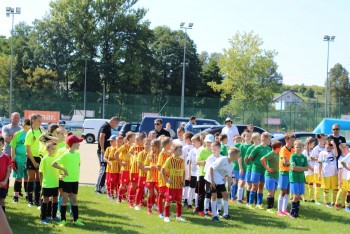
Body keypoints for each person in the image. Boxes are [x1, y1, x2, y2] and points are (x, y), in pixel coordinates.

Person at [52, 134, 85, 226]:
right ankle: (63, 220)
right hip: (67, 181)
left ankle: (76, 219)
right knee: (65, 200)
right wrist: (64, 170)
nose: (79, 144)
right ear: (73, 143)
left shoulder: (78, 154)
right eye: (78, 142)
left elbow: (78, 165)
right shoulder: (66, 154)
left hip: (75, 181)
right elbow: (54, 164)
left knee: (74, 200)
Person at [208, 147, 240, 222]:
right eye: (238, 156)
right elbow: (211, 168)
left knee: (225, 195)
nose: (238, 157)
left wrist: (229, 189)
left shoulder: (231, 164)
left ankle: (226, 214)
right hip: (211, 177)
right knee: (214, 196)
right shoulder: (223, 159)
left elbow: (229, 177)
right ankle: (214, 216)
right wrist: (212, 181)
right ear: (233, 155)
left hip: (219, 180)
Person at [161, 144, 186, 222]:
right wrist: (166, 180)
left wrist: (183, 180)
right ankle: (166, 216)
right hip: (171, 185)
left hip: (179, 184)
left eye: (181, 150)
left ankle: (178, 216)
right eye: (179, 150)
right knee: (168, 201)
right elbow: (162, 170)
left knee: (179, 200)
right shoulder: (169, 159)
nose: (181, 151)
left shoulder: (182, 160)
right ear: (174, 151)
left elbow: (184, 171)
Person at [95, 117, 120, 194]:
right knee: (103, 169)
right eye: (116, 124)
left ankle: (102, 186)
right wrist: (102, 149)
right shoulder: (105, 126)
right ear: (114, 121)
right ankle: (98, 187)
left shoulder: (107, 127)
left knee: (105, 169)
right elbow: (101, 136)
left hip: (105, 151)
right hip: (102, 151)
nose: (115, 126)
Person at [247, 132, 271, 209]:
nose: (270, 141)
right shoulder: (257, 147)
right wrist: (256, 162)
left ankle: (259, 203)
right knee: (254, 186)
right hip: (256, 169)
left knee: (261, 186)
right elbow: (250, 157)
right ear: (263, 139)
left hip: (264, 170)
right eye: (269, 139)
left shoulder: (269, 149)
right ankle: (250, 203)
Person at [39, 142, 60, 224]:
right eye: (52, 148)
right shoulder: (44, 159)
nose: (54, 150)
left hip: (55, 183)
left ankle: (53, 216)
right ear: (47, 149)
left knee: (55, 199)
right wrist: (41, 182)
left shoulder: (56, 158)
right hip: (47, 183)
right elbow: (40, 172)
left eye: (54, 148)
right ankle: (43, 217)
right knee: (46, 200)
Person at [10, 119, 31, 203]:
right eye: (26, 127)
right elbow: (13, 146)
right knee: (18, 178)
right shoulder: (18, 134)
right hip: (19, 159)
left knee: (27, 178)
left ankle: (27, 195)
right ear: (23, 126)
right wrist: (13, 159)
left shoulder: (31, 134)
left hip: (28, 159)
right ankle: (16, 197)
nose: (27, 130)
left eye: (29, 128)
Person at [25, 114, 43, 207]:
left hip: (40, 157)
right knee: (31, 178)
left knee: (39, 179)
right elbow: (28, 150)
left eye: (41, 121)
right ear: (33, 121)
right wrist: (34, 162)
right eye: (39, 121)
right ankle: (30, 200)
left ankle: (37, 200)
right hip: (32, 157)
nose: (40, 122)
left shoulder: (41, 132)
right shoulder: (29, 133)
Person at [194, 134, 214, 216]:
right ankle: (200, 209)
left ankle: (209, 209)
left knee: (209, 192)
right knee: (201, 192)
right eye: (207, 142)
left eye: (210, 142)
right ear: (205, 142)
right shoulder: (202, 151)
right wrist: (206, 161)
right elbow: (197, 162)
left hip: (211, 175)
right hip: (202, 174)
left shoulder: (214, 151)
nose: (209, 143)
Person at [277, 133, 295, 216]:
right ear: (286, 140)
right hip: (283, 172)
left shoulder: (293, 150)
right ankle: (279, 210)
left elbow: (292, 162)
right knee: (283, 191)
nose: (293, 142)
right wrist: (292, 164)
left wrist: (292, 164)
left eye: (293, 140)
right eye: (291, 140)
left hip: (290, 173)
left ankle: (284, 209)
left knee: (288, 191)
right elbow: (285, 163)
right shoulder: (283, 149)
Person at [261, 141, 282, 212]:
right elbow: (262, 159)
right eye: (280, 147)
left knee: (274, 192)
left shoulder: (279, 154)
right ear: (277, 148)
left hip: (276, 175)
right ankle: (269, 208)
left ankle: (272, 207)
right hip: (270, 176)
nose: (281, 148)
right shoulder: (271, 154)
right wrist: (267, 168)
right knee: (271, 191)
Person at [289, 140, 308, 218]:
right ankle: (291, 212)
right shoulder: (292, 156)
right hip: (294, 178)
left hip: (301, 178)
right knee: (296, 196)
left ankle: (296, 213)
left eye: (300, 147)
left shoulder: (304, 157)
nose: (298, 148)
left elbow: (306, 168)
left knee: (299, 196)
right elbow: (293, 168)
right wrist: (301, 168)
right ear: (294, 147)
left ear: (303, 148)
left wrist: (298, 168)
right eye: (297, 147)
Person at [115, 132, 136, 203]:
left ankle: (128, 199)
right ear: (130, 139)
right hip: (125, 169)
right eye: (134, 137)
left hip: (133, 169)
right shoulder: (125, 146)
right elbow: (116, 153)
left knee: (130, 185)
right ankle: (119, 198)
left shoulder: (135, 146)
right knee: (123, 184)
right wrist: (120, 163)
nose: (135, 138)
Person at [204, 141, 222, 217]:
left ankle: (219, 212)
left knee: (219, 196)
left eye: (216, 149)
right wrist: (212, 181)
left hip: (219, 180)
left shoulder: (222, 158)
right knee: (208, 195)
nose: (214, 150)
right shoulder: (210, 158)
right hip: (209, 180)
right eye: (213, 149)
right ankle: (206, 212)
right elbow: (207, 170)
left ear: (219, 148)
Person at [318, 139, 338, 207]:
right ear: (325, 145)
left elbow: (336, 154)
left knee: (335, 188)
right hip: (325, 174)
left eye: (330, 147)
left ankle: (334, 202)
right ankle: (326, 202)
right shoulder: (321, 153)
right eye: (327, 146)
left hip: (334, 174)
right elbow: (320, 164)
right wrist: (319, 174)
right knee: (326, 189)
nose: (328, 148)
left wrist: (334, 145)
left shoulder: (333, 151)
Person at [156, 137, 173, 218]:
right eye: (170, 143)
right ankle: (160, 212)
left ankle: (166, 211)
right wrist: (165, 174)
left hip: (169, 177)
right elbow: (159, 166)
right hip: (163, 177)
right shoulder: (162, 154)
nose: (172, 144)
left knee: (167, 195)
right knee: (161, 194)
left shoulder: (170, 154)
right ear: (166, 145)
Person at [128, 133, 146, 207]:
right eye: (135, 139)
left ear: (142, 140)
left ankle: (140, 201)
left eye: (137, 140)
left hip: (141, 171)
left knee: (141, 186)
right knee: (133, 185)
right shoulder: (134, 147)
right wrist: (133, 156)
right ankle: (130, 202)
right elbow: (129, 152)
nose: (135, 141)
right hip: (134, 169)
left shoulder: (145, 148)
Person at [144, 139, 161, 214]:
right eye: (151, 146)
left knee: (159, 193)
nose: (152, 148)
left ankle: (159, 209)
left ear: (158, 146)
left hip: (159, 178)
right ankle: (149, 209)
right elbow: (145, 166)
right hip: (150, 177)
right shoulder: (149, 155)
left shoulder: (161, 155)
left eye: (154, 146)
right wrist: (150, 167)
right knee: (150, 193)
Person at [244, 133, 261, 206]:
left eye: (260, 139)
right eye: (258, 139)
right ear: (253, 139)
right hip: (250, 169)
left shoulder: (261, 148)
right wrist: (248, 164)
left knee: (256, 185)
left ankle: (256, 201)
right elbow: (246, 158)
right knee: (249, 186)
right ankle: (248, 202)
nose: (260, 140)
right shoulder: (250, 148)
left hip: (257, 170)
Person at [135, 138, 151, 210]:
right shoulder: (141, 153)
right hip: (142, 175)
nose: (147, 146)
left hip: (150, 176)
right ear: (143, 144)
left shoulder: (152, 154)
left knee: (151, 191)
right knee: (140, 189)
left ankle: (151, 204)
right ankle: (137, 204)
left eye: (149, 144)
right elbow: (139, 165)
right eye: (146, 144)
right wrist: (146, 172)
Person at [237, 131, 252, 204]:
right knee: (242, 182)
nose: (248, 137)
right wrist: (240, 167)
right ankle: (239, 198)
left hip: (251, 168)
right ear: (244, 137)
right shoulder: (242, 146)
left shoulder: (253, 146)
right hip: (244, 167)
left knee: (249, 184)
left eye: (250, 136)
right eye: (247, 136)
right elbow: (239, 157)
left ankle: (248, 199)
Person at [187, 134, 202, 209]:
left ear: (199, 142)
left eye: (194, 142)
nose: (192, 143)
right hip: (192, 173)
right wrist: (189, 173)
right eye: (192, 142)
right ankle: (189, 203)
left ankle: (197, 205)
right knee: (191, 188)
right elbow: (189, 162)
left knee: (197, 190)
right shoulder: (191, 151)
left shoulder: (202, 150)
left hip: (199, 173)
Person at [311, 133, 326, 205]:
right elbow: (312, 158)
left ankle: (325, 201)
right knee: (318, 185)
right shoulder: (316, 148)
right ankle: (317, 200)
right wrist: (320, 159)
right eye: (323, 139)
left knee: (325, 186)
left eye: (325, 139)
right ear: (319, 139)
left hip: (325, 170)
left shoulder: (326, 148)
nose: (325, 140)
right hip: (317, 169)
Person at [104, 135, 119, 199]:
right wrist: (109, 162)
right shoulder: (108, 148)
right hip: (109, 168)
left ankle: (117, 193)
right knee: (109, 181)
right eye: (110, 141)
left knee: (116, 181)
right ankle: (109, 193)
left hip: (117, 168)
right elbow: (105, 157)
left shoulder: (118, 148)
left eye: (112, 141)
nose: (110, 142)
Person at [335, 143, 349, 209]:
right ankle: (337, 203)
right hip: (343, 178)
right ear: (343, 149)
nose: (348, 148)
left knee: (346, 192)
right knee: (341, 191)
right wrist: (339, 180)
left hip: (348, 177)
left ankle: (344, 204)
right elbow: (340, 170)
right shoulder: (341, 159)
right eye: (347, 147)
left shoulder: (348, 156)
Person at [303, 137, 316, 202]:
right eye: (313, 143)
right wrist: (312, 169)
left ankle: (311, 198)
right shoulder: (304, 152)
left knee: (311, 185)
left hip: (311, 171)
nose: (314, 145)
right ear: (309, 143)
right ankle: (304, 198)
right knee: (305, 185)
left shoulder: (312, 151)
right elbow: (306, 162)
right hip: (307, 171)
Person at [0, 136, 11, 212]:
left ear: (3, 145)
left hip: (3, 184)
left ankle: (3, 219)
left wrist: (5, 181)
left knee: (2, 200)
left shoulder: (6, 157)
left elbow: (8, 170)